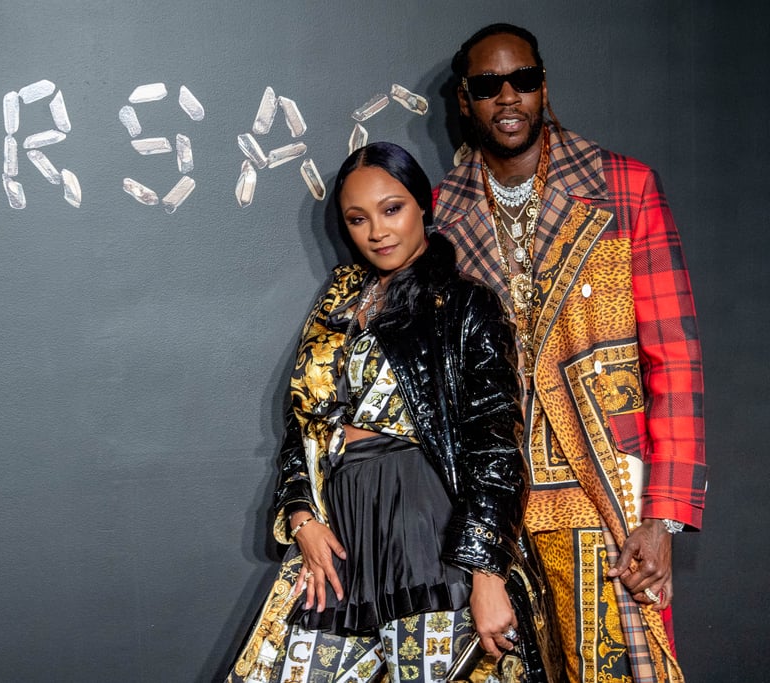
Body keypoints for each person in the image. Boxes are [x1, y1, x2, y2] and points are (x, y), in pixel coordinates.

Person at [227, 142, 561, 683]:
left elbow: (495, 445)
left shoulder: (465, 305)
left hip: (426, 533)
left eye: (392, 209)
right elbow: (303, 424)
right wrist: (301, 517)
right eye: (358, 219)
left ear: (423, 205)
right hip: (340, 538)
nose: (377, 231)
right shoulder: (338, 307)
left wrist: (486, 571)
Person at [433, 23, 706, 683]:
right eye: (488, 85)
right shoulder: (440, 217)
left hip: (605, 492)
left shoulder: (623, 188)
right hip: (494, 501)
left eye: (522, 80)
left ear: (544, 87)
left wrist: (663, 516)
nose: (508, 97)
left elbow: (675, 358)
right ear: (466, 102)